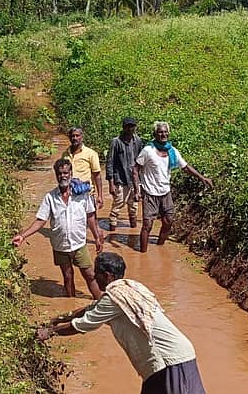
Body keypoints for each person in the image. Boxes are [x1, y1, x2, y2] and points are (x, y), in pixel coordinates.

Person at [36, 252, 207, 394]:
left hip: (169, 361)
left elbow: (82, 324)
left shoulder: (114, 299)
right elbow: (88, 309)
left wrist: (50, 332)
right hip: (178, 354)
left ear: (108, 275)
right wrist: (55, 320)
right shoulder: (130, 287)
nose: (94, 277)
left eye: (97, 273)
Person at [13, 158, 104, 299]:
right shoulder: (50, 197)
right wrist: (23, 236)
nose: (63, 176)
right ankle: (71, 303)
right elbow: (40, 221)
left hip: (79, 244)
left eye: (66, 173)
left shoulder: (82, 194)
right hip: (60, 246)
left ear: (71, 173)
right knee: (67, 276)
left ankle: (100, 303)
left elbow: (90, 216)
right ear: (56, 175)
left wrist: (97, 237)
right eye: (60, 173)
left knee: (90, 275)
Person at [132, 122, 213, 253]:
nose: (163, 134)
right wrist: (137, 190)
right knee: (148, 225)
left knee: (168, 221)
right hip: (150, 192)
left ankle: (160, 248)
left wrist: (202, 178)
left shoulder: (172, 151)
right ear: (155, 134)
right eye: (160, 132)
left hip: (165, 192)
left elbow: (185, 167)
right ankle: (143, 254)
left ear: (168, 133)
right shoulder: (148, 151)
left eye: (165, 132)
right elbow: (135, 169)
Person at [106, 117, 145, 232]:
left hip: (135, 180)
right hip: (121, 179)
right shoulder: (116, 142)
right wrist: (111, 183)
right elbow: (110, 162)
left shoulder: (138, 141)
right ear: (123, 127)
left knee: (134, 207)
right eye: (128, 126)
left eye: (132, 126)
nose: (130, 128)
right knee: (117, 206)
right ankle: (111, 232)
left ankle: (133, 230)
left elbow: (141, 160)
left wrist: (141, 180)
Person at [63, 127, 105, 210]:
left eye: (77, 136)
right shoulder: (65, 154)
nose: (75, 138)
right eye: (72, 136)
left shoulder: (91, 154)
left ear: (82, 137)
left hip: (87, 194)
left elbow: (97, 175)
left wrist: (100, 196)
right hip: (70, 194)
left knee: (91, 221)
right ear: (69, 137)